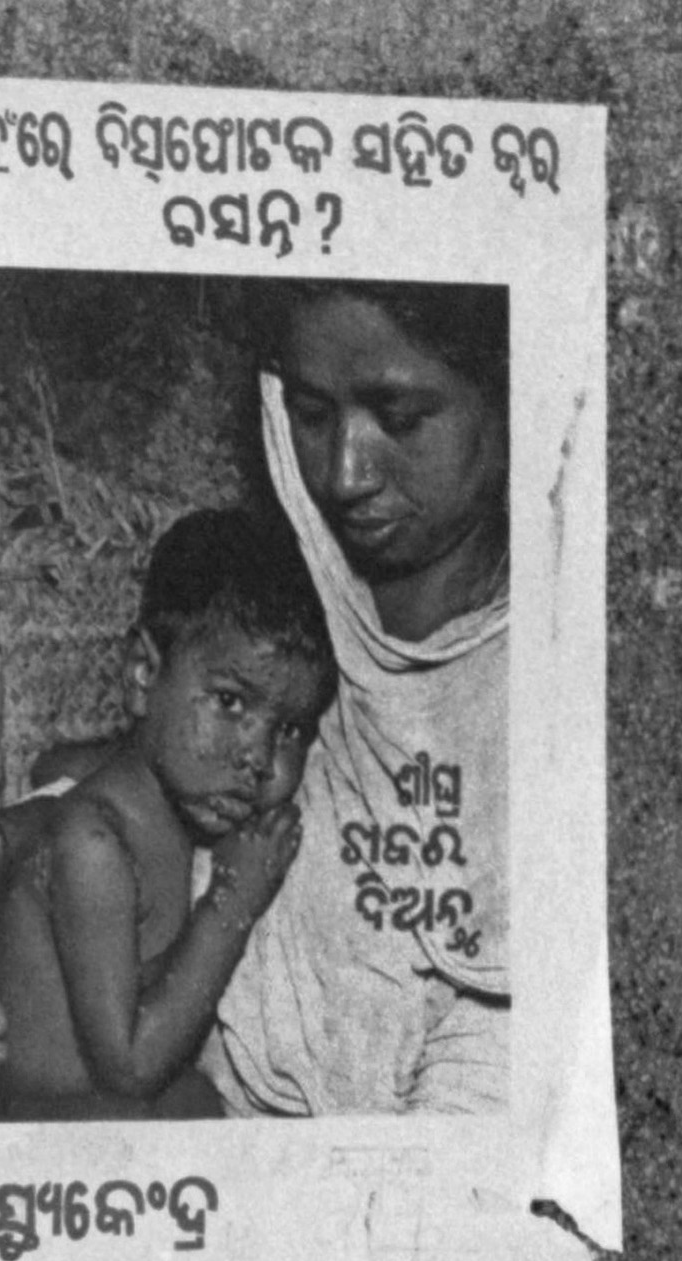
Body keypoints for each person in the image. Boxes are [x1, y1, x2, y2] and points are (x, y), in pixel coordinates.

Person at [203, 281, 514, 1123]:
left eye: (400, 419)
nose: (343, 473)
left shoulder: (537, 677)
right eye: (311, 414)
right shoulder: (296, 606)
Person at [0, 507, 334, 1123]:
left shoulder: (172, 789)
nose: (259, 759)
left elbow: (64, 762)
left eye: (289, 730)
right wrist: (232, 902)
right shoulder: (95, 844)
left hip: (124, 1108)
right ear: (143, 674)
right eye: (230, 702)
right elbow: (130, 1067)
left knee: (202, 1104)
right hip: (56, 1124)